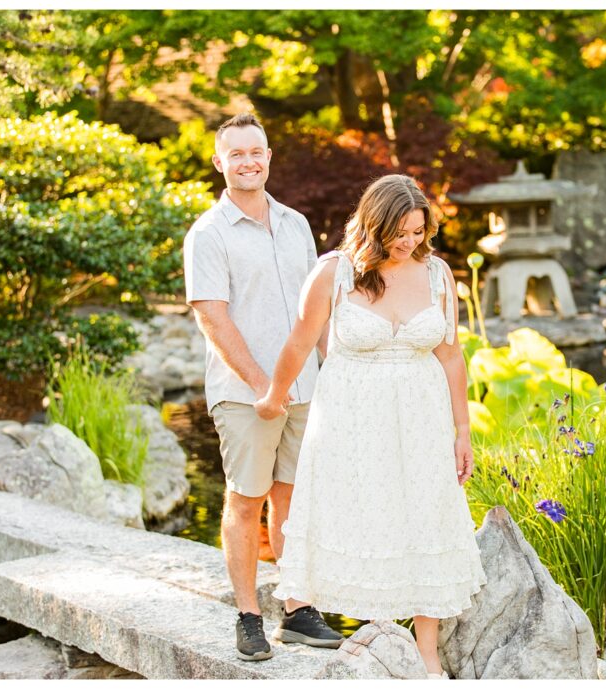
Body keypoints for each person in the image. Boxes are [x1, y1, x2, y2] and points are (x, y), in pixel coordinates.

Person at [255, 174, 487, 678]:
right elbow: (299, 344)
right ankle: (379, 638)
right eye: (398, 233)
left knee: (427, 517)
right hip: (352, 422)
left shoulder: (438, 273)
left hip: (421, 419)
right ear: (372, 225)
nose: (408, 243)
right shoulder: (334, 274)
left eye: (417, 232)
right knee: (369, 521)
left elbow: (450, 355)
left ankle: (426, 652)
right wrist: (274, 396)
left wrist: (462, 430)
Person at [183, 112, 344, 662]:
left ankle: (297, 609)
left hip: (306, 389)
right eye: (236, 154)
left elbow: (317, 313)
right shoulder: (207, 233)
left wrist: (330, 373)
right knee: (245, 500)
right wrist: (263, 386)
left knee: (293, 499)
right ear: (219, 163)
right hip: (244, 393)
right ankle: (248, 616)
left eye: (257, 151)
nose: (248, 161)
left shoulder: (296, 224)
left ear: (269, 157)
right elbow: (213, 317)